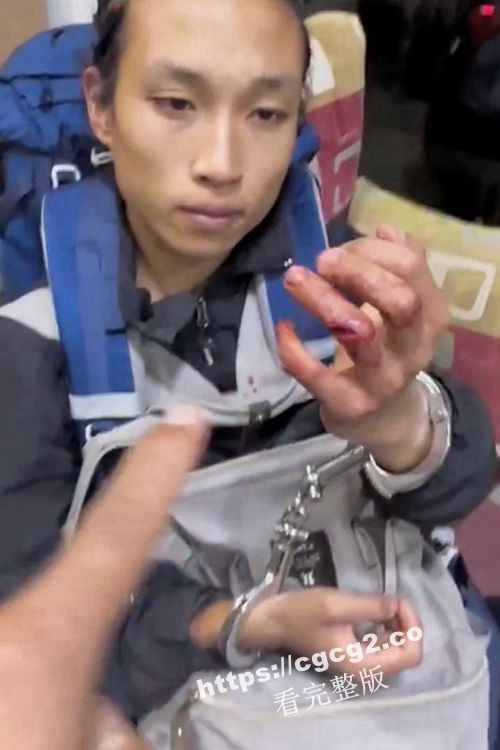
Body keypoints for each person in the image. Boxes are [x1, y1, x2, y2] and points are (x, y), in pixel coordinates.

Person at [0, 0, 496, 731]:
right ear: (100, 107)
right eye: (177, 104)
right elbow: (30, 617)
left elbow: (460, 488)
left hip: (412, 678)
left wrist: (403, 426)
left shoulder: (336, 278)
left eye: (266, 114)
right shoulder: (30, 340)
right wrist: (240, 622)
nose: (222, 165)